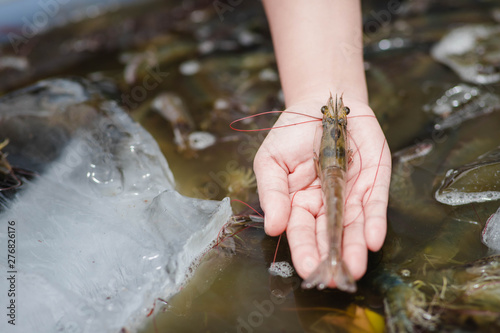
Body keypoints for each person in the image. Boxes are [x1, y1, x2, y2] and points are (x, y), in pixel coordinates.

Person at [254, 0, 392, 288]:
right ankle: (333, 260)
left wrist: (315, 86)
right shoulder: (344, 141)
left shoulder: (325, 134)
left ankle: (331, 261)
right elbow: (348, 154)